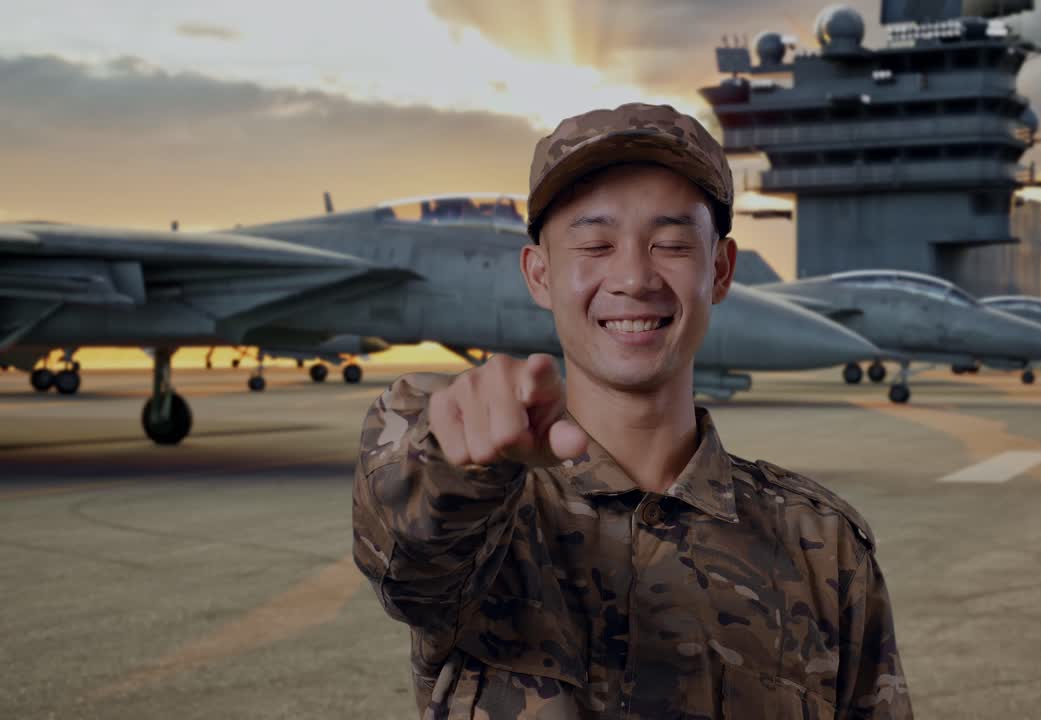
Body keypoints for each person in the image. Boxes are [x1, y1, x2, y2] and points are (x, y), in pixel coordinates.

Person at [352, 103, 912, 719]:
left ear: (721, 270)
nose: (634, 277)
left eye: (671, 243)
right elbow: (411, 557)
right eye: (595, 243)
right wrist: (462, 466)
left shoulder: (821, 546)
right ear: (539, 275)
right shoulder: (493, 511)